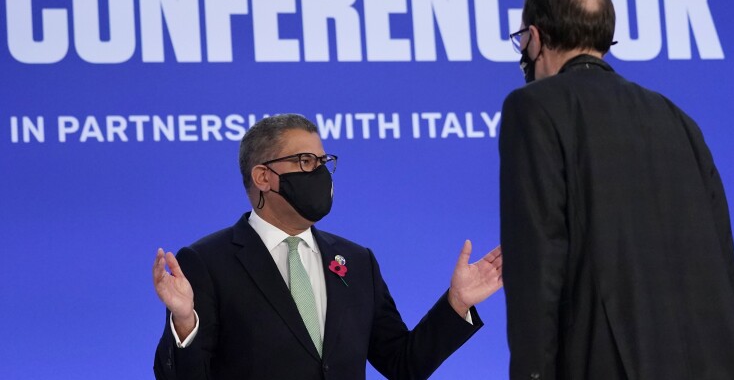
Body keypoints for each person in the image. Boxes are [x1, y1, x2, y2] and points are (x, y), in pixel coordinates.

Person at [499, 0, 734, 379]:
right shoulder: (677, 119)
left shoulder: (533, 108)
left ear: (534, 38)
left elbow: (537, 265)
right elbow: (725, 271)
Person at [153, 113, 502, 380]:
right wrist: (184, 322)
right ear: (263, 177)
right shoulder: (207, 262)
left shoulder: (357, 260)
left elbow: (403, 364)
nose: (320, 173)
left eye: (323, 162)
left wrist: (457, 304)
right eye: (305, 161)